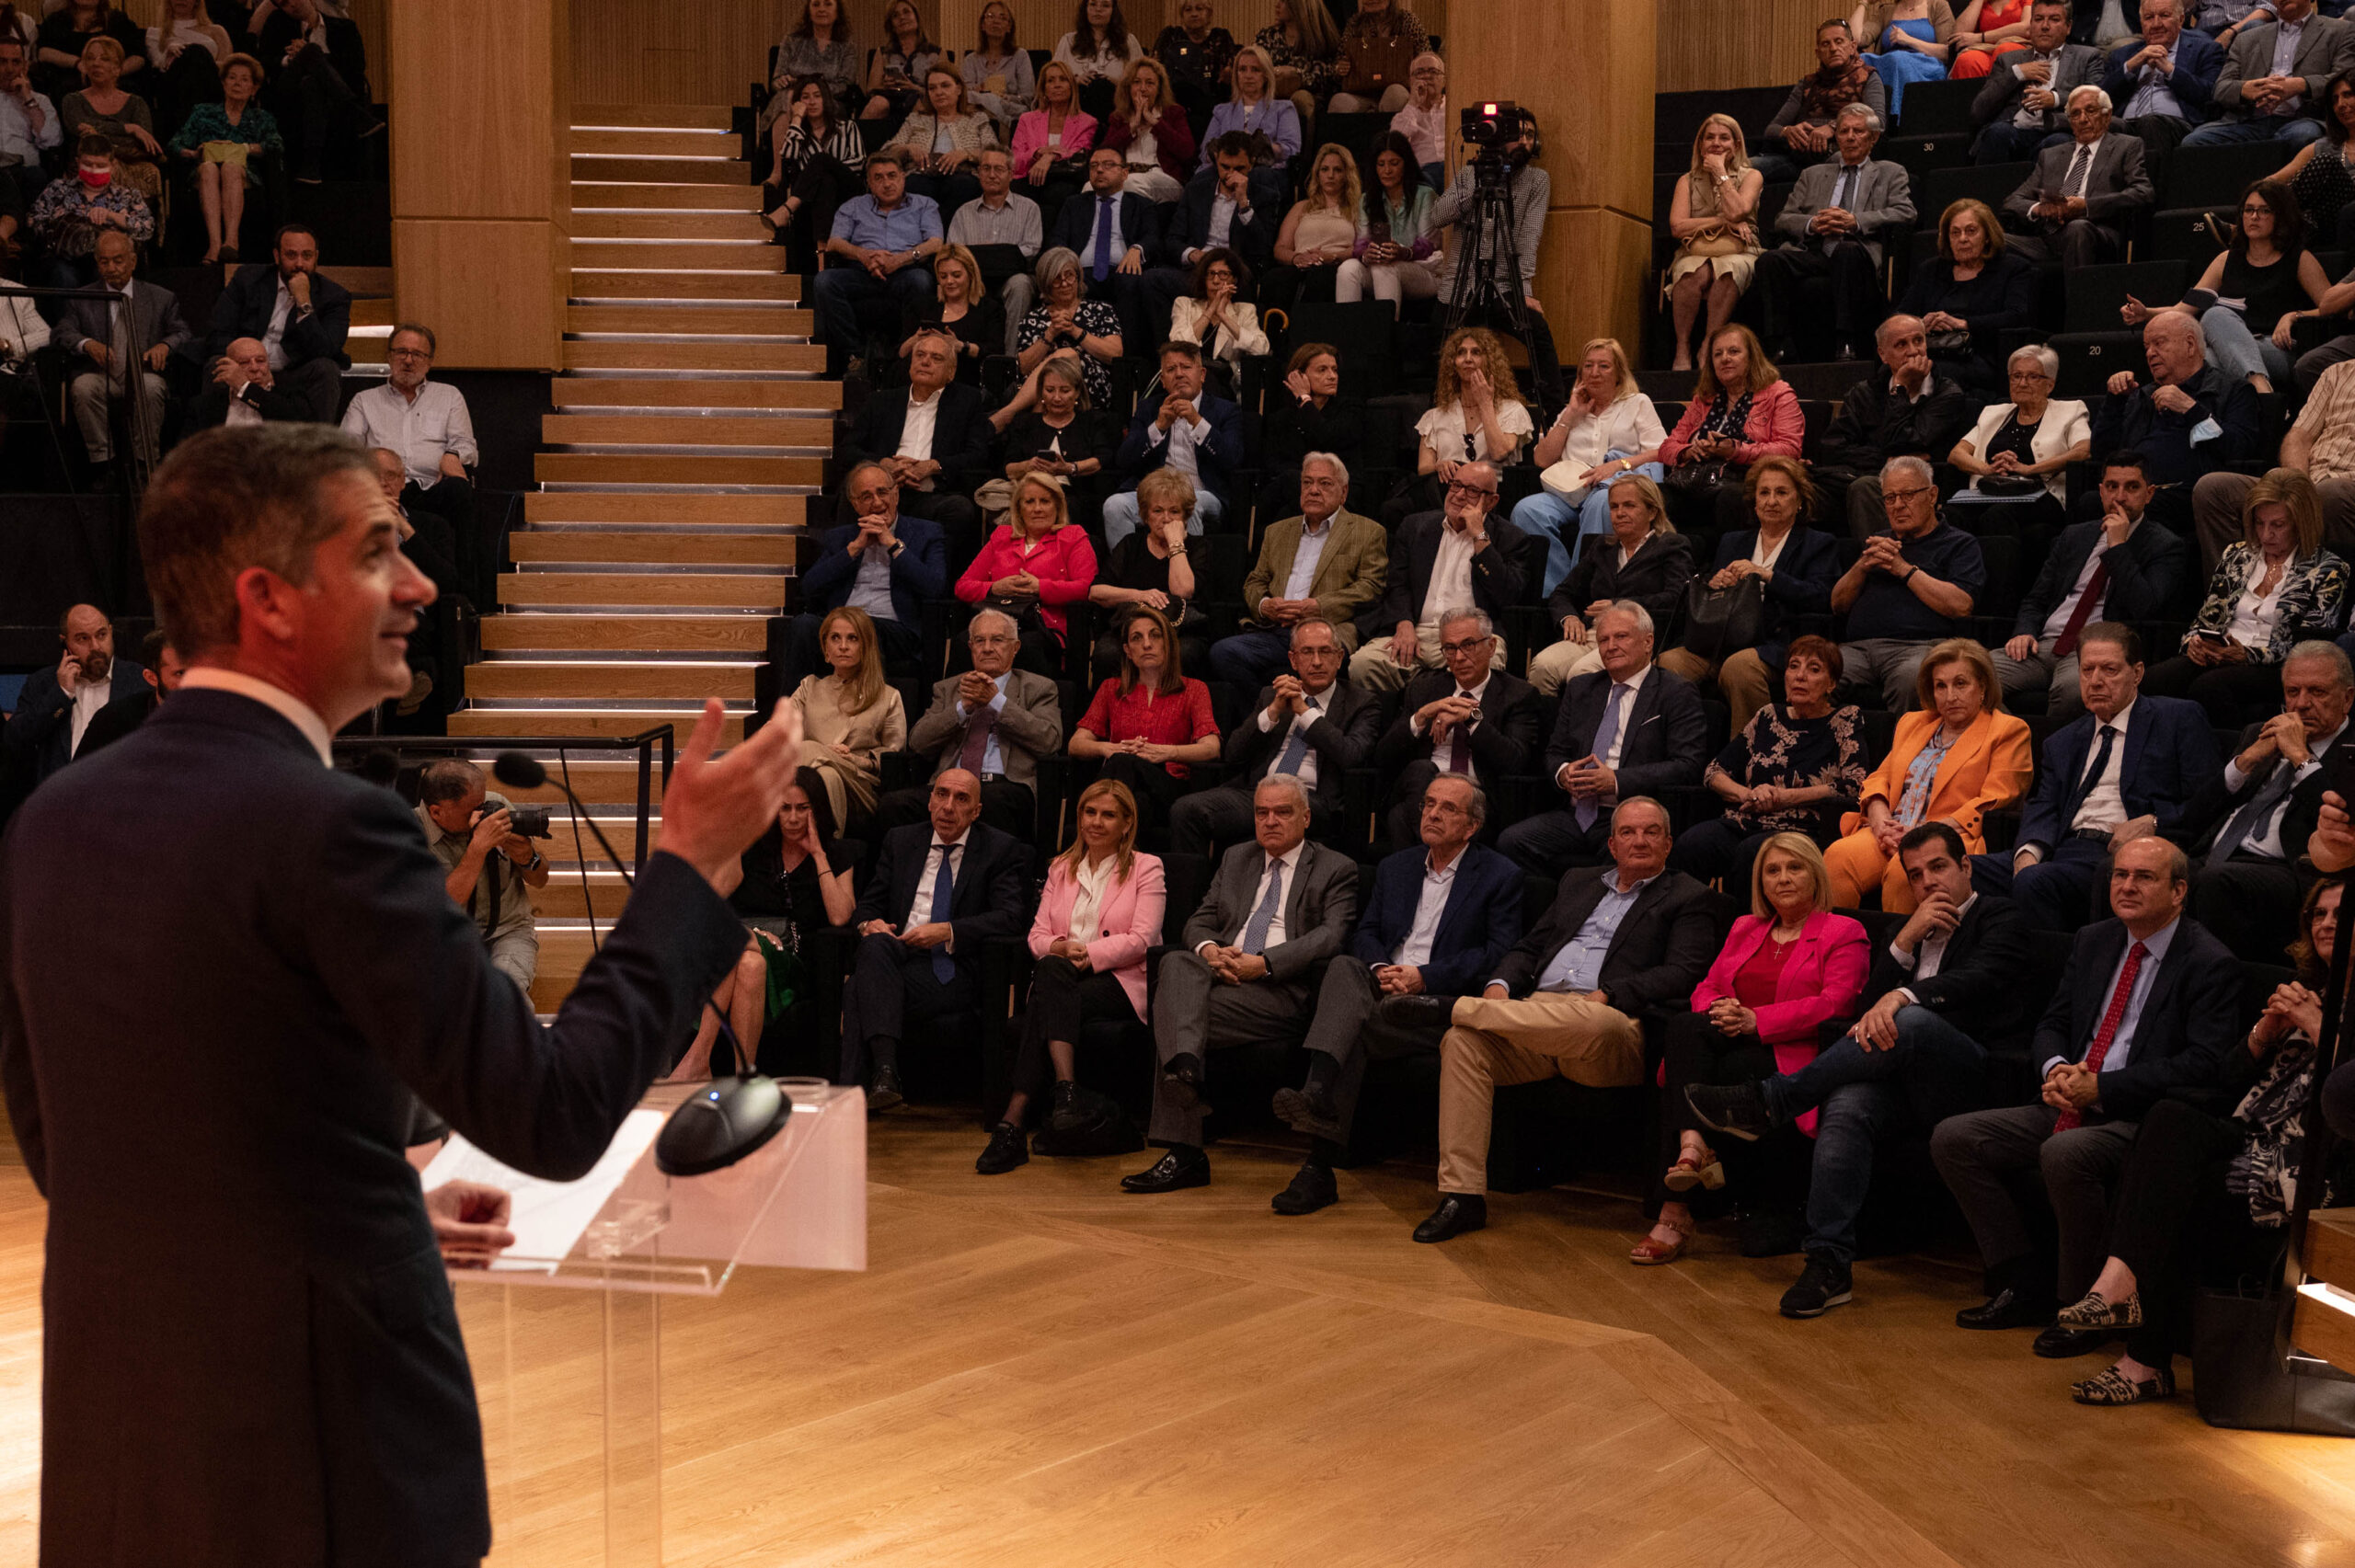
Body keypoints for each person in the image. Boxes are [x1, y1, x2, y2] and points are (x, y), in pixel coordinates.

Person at [0, 423, 802, 1568]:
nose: (421, 584)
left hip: (122, 1454)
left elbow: (71, 1147)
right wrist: (685, 871)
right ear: (269, 599)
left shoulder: (52, 821)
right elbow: (553, 1111)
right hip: (323, 1468)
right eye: (378, 551)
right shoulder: (336, 827)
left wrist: (345, 1208)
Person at [1683, 822, 2034, 1318]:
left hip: (1969, 1074)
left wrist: (1903, 995)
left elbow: (1982, 978)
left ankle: (1777, 1098)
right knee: (1846, 1106)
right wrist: (1904, 941)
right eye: (1916, 875)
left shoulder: (2001, 917)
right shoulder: (1905, 932)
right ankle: (1828, 1262)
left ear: (1966, 867)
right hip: (1896, 1080)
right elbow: (1861, 1009)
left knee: (1910, 1018)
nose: (1928, 882)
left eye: (1938, 868)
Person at [1931, 836, 2244, 1351]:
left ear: (2179, 891)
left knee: (2065, 1151)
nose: (2127, 886)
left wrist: (2103, 1087)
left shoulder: (2209, 961)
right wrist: (2056, 1068)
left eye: (2144, 877)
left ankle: (2083, 1305)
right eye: (2120, 875)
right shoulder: (2094, 939)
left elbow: (2204, 1063)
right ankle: (2020, 1280)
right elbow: (2052, 1022)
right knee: (1955, 1138)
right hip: (2072, 1093)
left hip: (2142, 1117)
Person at [2060, 875, 2348, 1402]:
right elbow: (2226, 1078)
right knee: (2170, 1121)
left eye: (2341, 914)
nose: (2327, 924)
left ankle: (2140, 1357)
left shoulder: (2322, 1005)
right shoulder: (2313, 988)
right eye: (2319, 914)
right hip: (2249, 1135)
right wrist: (2264, 1033)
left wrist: (2316, 1024)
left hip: (2310, 1163)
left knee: (2176, 1189)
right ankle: (2118, 1287)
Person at [1404, 797, 1720, 1243]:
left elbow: (1683, 971)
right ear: (1612, 844)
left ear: (1668, 844)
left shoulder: (1690, 895)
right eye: (1628, 832)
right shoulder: (1578, 882)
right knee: (1462, 1042)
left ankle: (1450, 1006)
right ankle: (1463, 1196)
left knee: (1591, 1020)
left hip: (1606, 1030)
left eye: (1651, 832)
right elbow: (1529, 948)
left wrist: (1612, 993)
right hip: (1534, 1019)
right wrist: (1499, 985)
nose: (1640, 840)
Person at [1270, 774, 1523, 1213]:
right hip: (1382, 988)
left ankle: (1318, 1156)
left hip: (1436, 1005)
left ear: (1472, 826)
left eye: (1448, 808)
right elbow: (1366, 932)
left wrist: (1424, 976)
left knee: (1350, 1029)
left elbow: (1496, 953)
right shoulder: (1396, 867)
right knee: (1345, 967)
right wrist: (1381, 969)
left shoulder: (1500, 875)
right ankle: (1318, 1128)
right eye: (1429, 804)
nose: (1433, 814)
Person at [1119, 773, 1359, 1195]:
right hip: (1223, 979)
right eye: (1261, 813)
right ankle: (1186, 1074)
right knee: (1177, 963)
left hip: (1282, 991)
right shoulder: (1236, 857)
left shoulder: (1336, 867)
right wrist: (1211, 951)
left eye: (1282, 812)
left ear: (1305, 818)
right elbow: (1200, 920)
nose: (1270, 821)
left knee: (1174, 1013)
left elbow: (1329, 936)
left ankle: (1184, 1150)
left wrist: (1263, 965)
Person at [1641, 834, 1871, 1266]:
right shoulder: (1746, 927)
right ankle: (1691, 1153)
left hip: (1793, 1054)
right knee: (1686, 1025)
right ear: (1760, 882)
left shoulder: (1844, 931)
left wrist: (1755, 1020)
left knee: (1696, 1068)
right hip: (1731, 1036)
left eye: (1794, 868)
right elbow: (1707, 986)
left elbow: (1837, 1004)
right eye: (1772, 870)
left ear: (1815, 874)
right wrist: (1722, 1008)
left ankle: (1675, 1208)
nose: (1783, 878)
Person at [1970, 624, 2222, 927]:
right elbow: (2044, 804)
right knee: (1955, 871)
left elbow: (2209, 801)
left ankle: (2055, 957)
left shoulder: (2177, 719)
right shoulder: (2063, 741)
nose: (2096, 681)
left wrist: (2155, 822)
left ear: (2137, 673)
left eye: (2109, 670)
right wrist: (2027, 854)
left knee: (2035, 882)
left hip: (2120, 852)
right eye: (2087, 670)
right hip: (2061, 848)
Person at [977, 776, 1165, 1173]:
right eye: (1089, 812)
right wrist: (1059, 948)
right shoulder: (1061, 867)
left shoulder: (1147, 868)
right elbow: (1037, 936)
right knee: (1051, 969)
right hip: (1060, 976)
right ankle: (1066, 1093)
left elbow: (1143, 938)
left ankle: (1013, 1121)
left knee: (1046, 992)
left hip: (1119, 981)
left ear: (1127, 823)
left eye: (1108, 815)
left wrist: (1088, 956)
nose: (1096, 822)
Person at [843, 767, 1030, 1108]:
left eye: (961, 799)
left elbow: (1010, 917)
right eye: (941, 794)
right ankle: (883, 1075)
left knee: (859, 987)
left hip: (951, 966)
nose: (948, 807)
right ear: (930, 801)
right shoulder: (901, 841)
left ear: (976, 811)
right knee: (874, 944)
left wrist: (948, 930)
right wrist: (869, 924)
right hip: (895, 953)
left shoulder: (999, 849)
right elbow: (868, 904)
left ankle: (863, 1088)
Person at [1499, 603, 1713, 879]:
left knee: (1620, 860)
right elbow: (1554, 752)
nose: (1611, 646)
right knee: (1511, 843)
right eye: (1603, 640)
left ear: (1648, 642)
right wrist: (1564, 773)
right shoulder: (1582, 688)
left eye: (1621, 637)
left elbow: (1687, 765)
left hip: (1632, 816)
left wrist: (1615, 780)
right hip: (1577, 814)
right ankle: (1564, 901)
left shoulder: (1675, 692)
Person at [674, 769, 861, 1082]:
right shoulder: (757, 850)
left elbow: (840, 916)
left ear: (817, 809)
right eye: (784, 808)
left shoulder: (837, 853)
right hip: (750, 954)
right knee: (750, 964)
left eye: (802, 808)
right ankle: (744, 1077)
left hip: (796, 965)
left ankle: (698, 1059)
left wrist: (817, 854)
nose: (793, 818)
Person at [1823, 638, 2033, 910]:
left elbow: (1996, 798)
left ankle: (1906, 941)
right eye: (1940, 686)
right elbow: (1880, 778)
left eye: (1960, 684)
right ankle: (1839, 938)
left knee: (1906, 872)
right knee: (1837, 857)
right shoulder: (1913, 722)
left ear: (1982, 686)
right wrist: (1880, 820)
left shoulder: (2008, 730)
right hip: (1891, 830)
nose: (1950, 696)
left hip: (1947, 835)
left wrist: (1922, 832)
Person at [2177, 640, 2354, 959]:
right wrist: (2244, 762)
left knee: (2215, 882)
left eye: (2317, 692)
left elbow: (2341, 821)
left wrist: (2300, 756)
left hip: (2288, 869)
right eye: (2292, 692)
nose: (2301, 704)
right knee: (2127, 868)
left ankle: (2211, 981)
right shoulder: (2258, 733)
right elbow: (2195, 817)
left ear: (2348, 698)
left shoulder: (2351, 752)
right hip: (2216, 853)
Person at [1995, 452, 2190, 719]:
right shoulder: (2075, 535)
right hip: (2044, 645)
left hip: (2099, 650)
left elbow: (2144, 607)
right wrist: (2025, 631)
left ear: (2149, 494)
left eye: (2132, 487)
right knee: (1972, 676)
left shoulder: (2165, 546)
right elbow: (2037, 599)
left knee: (2073, 693)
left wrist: (2118, 547)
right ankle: (2015, 738)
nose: (2120, 497)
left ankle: (2046, 746)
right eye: (2112, 486)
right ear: (2101, 492)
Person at [2148, 467, 2351, 724]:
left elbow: (2309, 647)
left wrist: (2248, 655)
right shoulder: (2237, 555)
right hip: (2220, 656)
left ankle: (2238, 748)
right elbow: (2206, 618)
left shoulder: (2329, 569)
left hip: (2273, 665)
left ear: (2301, 522)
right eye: (2259, 523)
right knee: (2150, 681)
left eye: (2278, 525)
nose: (2266, 534)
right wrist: (2194, 643)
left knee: (2209, 688)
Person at [1660, 459, 1844, 737]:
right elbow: (1712, 592)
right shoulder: (1733, 541)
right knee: (1668, 662)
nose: (1771, 501)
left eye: (1781, 492)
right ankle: (1683, 748)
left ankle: (1752, 753)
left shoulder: (1818, 543)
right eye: (1764, 493)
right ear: (1754, 502)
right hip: (1723, 639)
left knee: (1739, 667)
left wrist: (1768, 576)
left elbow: (1821, 597)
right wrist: (1717, 583)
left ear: (1799, 501)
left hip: (1780, 643)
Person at [1171, 615, 1382, 857]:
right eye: (1307, 652)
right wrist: (1272, 712)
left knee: (1278, 814)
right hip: (1258, 792)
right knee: (1185, 810)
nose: (1316, 662)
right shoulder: (1272, 695)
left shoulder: (1361, 703)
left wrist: (1304, 711)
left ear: (1339, 657)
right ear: (1293, 659)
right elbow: (1233, 753)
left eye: (1325, 652)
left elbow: (1351, 754)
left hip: (1311, 799)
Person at [1671, 636, 1869, 892]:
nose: (1800, 676)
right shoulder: (1768, 715)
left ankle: (1742, 919)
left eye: (1814, 669)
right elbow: (1714, 772)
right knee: (1691, 844)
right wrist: (1749, 795)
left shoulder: (1845, 719)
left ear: (1831, 684)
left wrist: (1784, 798)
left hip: (1801, 830)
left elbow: (1855, 785)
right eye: (1794, 666)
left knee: (1752, 854)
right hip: (1745, 820)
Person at [2122, 179, 2326, 397]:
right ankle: (2261, 392)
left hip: (2277, 348)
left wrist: (2293, 316)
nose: (2254, 217)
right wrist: (2146, 313)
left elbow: (2331, 307)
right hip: (2228, 346)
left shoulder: (2299, 259)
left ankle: (2259, 393)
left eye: (2264, 211)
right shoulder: (2226, 260)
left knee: (2214, 318)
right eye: (2249, 210)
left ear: (2281, 216)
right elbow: (2183, 310)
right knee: (2202, 356)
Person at [882, 608, 1065, 841]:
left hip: (1003, 785)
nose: (987, 648)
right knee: (894, 805)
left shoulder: (1038, 688)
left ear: (1015, 647)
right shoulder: (948, 688)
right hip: (949, 787)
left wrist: (996, 702)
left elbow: (1049, 741)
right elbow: (918, 742)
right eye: (979, 641)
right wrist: (963, 707)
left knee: (993, 801)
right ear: (971, 647)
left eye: (997, 640)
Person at [1754, 102, 1914, 365]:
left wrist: (1855, 221)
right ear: (1836, 136)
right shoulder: (1811, 174)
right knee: (1769, 260)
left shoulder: (1890, 172)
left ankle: (1846, 340)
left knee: (1845, 251)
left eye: (1858, 131)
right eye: (1844, 131)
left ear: (1873, 138)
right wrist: (1813, 223)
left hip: (1857, 251)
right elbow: (1783, 219)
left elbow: (1905, 212)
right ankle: (1778, 345)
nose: (1850, 137)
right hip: (1815, 250)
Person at [1371, 607, 1544, 850]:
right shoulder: (1423, 689)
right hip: (1424, 791)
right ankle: (1438, 854)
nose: (1459, 657)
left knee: (1399, 818)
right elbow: (1382, 755)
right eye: (1450, 648)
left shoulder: (1518, 695)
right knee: (1421, 770)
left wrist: (1471, 720)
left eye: (1468, 645)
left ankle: (1427, 858)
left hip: (1476, 799)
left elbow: (1516, 761)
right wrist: (1421, 717)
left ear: (1491, 646)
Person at [1209, 452, 1386, 685]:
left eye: (1325, 484)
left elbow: (1371, 587)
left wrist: (1319, 607)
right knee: (1222, 653)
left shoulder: (1368, 532)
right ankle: (1267, 707)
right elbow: (1255, 581)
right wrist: (1265, 606)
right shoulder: (1277, 531)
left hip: (1327, 632)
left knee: (1314, 660)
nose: (1314, 490)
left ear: (1344, 493)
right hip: (1277, 631)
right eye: (1307, 482)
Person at [1353, 462, 1530, 694]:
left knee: (1488, 664)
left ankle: (1444, 702)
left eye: (1472, 491)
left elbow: (1507, 595)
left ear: (1491, 501)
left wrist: (1480, 537)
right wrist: (1403, 622)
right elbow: (1398, 584)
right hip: (1416, 633)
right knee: (1363, 664)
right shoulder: (1415, 526)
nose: (1459, 495)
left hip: (1472, 638)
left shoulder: (1511, 538)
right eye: (1456, 485)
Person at [1512, 338, 1669, 598]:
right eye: (1588, 366)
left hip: (1613, 488)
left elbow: (1662, 451)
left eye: (1604, 366)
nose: (1595, 372)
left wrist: (1618, 465)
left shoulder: (1637, 403)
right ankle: (1555, 590)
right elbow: (1542, 459)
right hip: (1569, 493)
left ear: (1619, 373)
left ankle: (1580, 591)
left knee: (1601, 501)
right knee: (1526, 509)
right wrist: (1571, 415)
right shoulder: (1572, 410)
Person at [1428, 107, 1563, 407]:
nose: (1524, 141)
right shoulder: (1469, 174)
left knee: (1538, 331)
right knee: (1440, 343)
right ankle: (1441, 411)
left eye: (1530, 135)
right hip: (1461, 287)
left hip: (1504, 286)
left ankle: (1554, 411)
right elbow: (1438, 217)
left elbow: (1529, 237)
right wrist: (1478, 188)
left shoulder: (1537, 180)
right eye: (1518, 134)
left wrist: (1524, 291)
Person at [1833, 456, 1988, 710]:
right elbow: (1838, 605)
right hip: (1858, 649)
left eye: (1907, 495)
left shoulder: (1959, 543)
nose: (1898, 505)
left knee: (1911, 678)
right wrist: (1861, 566)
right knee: (1816, 675)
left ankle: (1906, 738)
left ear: (1932, 495)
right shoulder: (1879, 542)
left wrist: (1903, 569)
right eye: (1890, 498)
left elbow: (1961, 605)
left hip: (1920, 648)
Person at [2089, 313, 2263, 531]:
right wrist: (2114, 402)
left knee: (2152, 507)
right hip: (2134, 490)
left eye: (2159, 343)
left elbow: (2239, 449)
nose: (2150, 353)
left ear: (2190, 345)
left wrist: (2192, 410)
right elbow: (2101, 454)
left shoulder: (2233, 390)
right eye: (2147, 347)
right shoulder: (2140, 396)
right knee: (2090, 502)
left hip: (2190, 494)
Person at [1529, 477, 1697, 697]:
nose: (1620, 513)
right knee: (1542, 667)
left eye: (1629, 505)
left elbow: (1677, 598)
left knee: (1582, 674)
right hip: (1592, 633)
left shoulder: (1671, 545)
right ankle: (1553, 720)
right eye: (1614, 507)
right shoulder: (1602, 547)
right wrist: (1568, 617)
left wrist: (1619, 606)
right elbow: (1563, 592)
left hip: (1636, 637)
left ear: (1652, 512)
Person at [1819, 315, 1980, 539]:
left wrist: (1900, 388)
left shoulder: (1947, 394)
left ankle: (1882, 557)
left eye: (1918, 341)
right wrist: (1884, 460)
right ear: (1883, 354)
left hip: (1919, 484)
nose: (1913, 351)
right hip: (1867, 474)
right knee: (1799, 485)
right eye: (1901, 344)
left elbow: (1904, 443)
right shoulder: (1864, 393)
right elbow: (1832, 448)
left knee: (1864, 487)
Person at [786, 461, 947, 684]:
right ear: (855, 504)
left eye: (882, 493)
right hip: (842, 623)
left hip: (894, 629)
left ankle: (867, 705)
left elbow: (935, 587)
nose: (877, 502)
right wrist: (854, 548)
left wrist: (893, 545)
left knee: (865, 626)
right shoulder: (841, 538)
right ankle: (791, 705)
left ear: (896, 494)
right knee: (803, 625)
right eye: (867, 497)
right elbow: (810, 586)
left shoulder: (927, 532)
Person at [1070, 604, 1216, 838]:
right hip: (1129, 788)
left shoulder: (1194, 689)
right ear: (1128, 650)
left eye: (1155, 636)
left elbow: (1211, 748)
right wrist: (1109, 748)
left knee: (1125, 763)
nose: (1147, 644)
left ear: (1168, 643)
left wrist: (1165, 753)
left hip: (1169, 785)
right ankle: (1120, 855)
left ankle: (1089, 834)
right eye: (1137, 638)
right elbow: (1076, 744)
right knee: (1138, 801)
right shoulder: (1111, 688)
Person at [2200, 360, 2355, 571]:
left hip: (2346, 488)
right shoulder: (2337, 373)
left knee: (2332, 493)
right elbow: (2298, 437)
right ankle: (2229, 587)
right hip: (2309, 479)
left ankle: (2321, 587)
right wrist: (2299, 486)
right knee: (2214, 489)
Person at [414, 760, 548, 999]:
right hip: (445, 938)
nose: (482, 814)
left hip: (509, 932)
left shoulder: (496, 807)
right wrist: (477, 849)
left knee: (505, 997)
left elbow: (540, 879)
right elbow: (440, 907)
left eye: (483, 802)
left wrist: (528, 857)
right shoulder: (411, 832)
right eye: (473, 809)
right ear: (437, 812)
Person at [1658, 323, 1805, 537]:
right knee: (1650, 496)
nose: (1725, 358)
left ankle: (1729, 555)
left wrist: (1735, 450)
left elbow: (1789, 449)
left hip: (1746, 479)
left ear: (1751, 357)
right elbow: (1666, 449)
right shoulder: (1704, 399)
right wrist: (1690, 451)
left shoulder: (1778, 393)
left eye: (1734, 351)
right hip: (1695, 480)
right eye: (1718, 354)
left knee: (1731, 497)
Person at [837, 326, 991, 532]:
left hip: (931, 495)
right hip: (883, 493)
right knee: (854, 493)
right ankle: (851, 554)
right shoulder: (881, 401)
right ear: (911, 364)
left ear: (951, 372)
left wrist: (934, 466)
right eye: (920, 355)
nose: (925, 362)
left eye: (936, 358)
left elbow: (979, 455)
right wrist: (882, 465)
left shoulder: (967, 402)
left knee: (959, 509)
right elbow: (847, 450)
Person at [61, 227, 186, 479]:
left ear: (133, 261)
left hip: (141, 372)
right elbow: (62, 332)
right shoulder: (81, 297)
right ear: (97, 263)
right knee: (83, 387)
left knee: (151, 388)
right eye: (104, 262)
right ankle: (102, 463)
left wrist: (165, 345)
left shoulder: (161, 297)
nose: (112, 268)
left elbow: (182, 333)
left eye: (118, 261)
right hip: (101, 373)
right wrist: (87, 343)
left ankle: (144, 462)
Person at [1101, 338, 1243, 546]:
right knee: (1114, 506)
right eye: (1171, 369)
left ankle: (1190, 566)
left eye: (1186, 367)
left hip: (1202, 493)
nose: (1179, 374)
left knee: (1189, 508)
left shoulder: (1226, 410)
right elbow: (1124, 460)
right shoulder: (1148, 408)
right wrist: (1158, 427)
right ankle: (1126, 565)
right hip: (1154, 496)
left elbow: (1232, 459)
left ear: (1202, 375)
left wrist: (1197, 421)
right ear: (1163, 380)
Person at [955, 471, 1099, 676]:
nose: (1037, 508)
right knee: (963, 642)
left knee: (1026, 646)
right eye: (1030, 502)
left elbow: (1087, 588)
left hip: (1044, 628)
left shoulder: (1072, 536)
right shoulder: (1002, 536)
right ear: (1019, 508)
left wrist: (1040, 587)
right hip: (996, 624)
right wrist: (995, 587)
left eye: (1045, 501)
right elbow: (962, 586)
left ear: (1058, 506)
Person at [813, 148, 942, 375]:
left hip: (906, 271)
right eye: (878, 178)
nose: (887, 183)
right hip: (862, 272)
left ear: (903, 178)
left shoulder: (924, 205)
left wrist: (900, 259)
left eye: (892, 176)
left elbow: (935, 243)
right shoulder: (853, 206)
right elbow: (834, 243)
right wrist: (864, 256)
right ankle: (855, 355)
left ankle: (905, 352)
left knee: (921, 281)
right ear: (869, 183)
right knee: (824, 282)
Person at [206, 223, 350, 424]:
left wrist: (304, 302)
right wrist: (248, 368)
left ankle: (319, 442)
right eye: (291, 255)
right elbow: (218, 332)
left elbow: (326, 350)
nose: (299, 264)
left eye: (307, 256)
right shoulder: (248, 279)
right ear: (277, 256)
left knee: (327, 370)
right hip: (247, 366)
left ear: (316, 257)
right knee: (216, 363)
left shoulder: (334, 296)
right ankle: (210, 441)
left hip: (292, 374)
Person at [1945, 344, 2091, 542]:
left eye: (2032, 377)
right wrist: (1987, 469)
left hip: (2042, 495)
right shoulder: (1993, 413)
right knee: (1951, 514)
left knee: (1997, 515)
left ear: (2050, 384)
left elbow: (2083, 451)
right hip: (1989, 493)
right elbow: (1957, 454)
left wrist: (2030, 469)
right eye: (2016, 376)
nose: (2022, 383)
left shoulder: (2070, 411)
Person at [1897, 199, 2040, 396]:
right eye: (1955, 233)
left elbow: (2016, 316)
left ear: (1987, 236)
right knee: (1890, 371)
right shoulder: (1931, 270)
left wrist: (1963, 324)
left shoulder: (2012, 269)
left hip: (1979, 355)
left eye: (1971, 231)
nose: (1963, 239)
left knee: (1936, 373)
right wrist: (1921, 324)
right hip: (1932, 351)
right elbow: (1900, 316)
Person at [1998, 86, 2153, 269]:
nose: (2083, 119)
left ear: (2107, 115)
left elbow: (2143, 193)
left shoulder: (2126, 146)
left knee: (2077, 228)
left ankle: (2080, 289)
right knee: (1990, 239)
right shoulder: (2050, 155)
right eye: (2075, 114)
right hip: (2047, 239)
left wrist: (2086, 206)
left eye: (2090, 111)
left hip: (2095, 232)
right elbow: (2013, 201)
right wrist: (2039, 208)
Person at [339, 324, 476, 521]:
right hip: (382, 489)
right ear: (389, 356)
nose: (408, 360)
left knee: (459, 489)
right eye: (401, 352)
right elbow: (345, 450)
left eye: (417, 354)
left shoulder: (449, 396)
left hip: (432, 488)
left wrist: (453, 455)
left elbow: (466, 444)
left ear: (430, 361)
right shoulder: (364, 400)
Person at [788, 605, 907, 828]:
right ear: (826, 648)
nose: (843, 646)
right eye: (835, 638)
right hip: (810, 778)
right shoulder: (809, 687)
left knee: (806, 749)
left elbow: (894, 758)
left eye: (853, 638)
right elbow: (778, 729)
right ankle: (830, 843)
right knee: (825, 774)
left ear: (866, 646)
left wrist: (857, 760)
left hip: (859, 784)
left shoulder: (888, 696)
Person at [1664, 114, 1764, 377]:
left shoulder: (1752, 176)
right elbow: (1677, 227)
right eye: (1710, 138)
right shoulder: (1686, 180)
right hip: (1696, 249)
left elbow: (1739, 210)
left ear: (1736, 144)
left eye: (1724, 138)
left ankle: (1709, 345)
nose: (1716, 143)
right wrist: (1723, 221)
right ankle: (1682, 347)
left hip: (1741, 249)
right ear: (1700, 145)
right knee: (1690, 272)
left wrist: (1721, 173)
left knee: (1728, 269)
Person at [3, 601, 145, 784]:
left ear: (111, 631)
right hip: (62, 794)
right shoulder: (43, 683)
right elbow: (15, 740)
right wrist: (61, 693)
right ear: (65, 643)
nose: (96, 646)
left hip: (122, 791)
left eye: (102, 635)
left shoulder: (139, 680)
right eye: (83, 639)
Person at [1402, 326, 1534, 521]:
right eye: (1461, 353)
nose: (1468, 359)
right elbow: (1424, 468)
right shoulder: (1435, 415)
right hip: (1446, 493)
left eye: (1476, 352)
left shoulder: (1512, 410)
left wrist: (1485, 404)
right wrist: (1439, 465)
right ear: (1453, 364)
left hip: (1491, 496)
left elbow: (1499, 452)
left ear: (1490, 361)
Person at [2181, 0, 2354, 148]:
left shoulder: (2340, 31)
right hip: (2251, 120)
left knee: (2303, 135)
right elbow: (2220, 89)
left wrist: (2300, 85)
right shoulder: (2247, 38)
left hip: (2304, 118)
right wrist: (2245, 89)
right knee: (2193, 142)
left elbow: (2344, 79)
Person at [1045, 145, 1159, 362]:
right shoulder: (1074, 204)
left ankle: (1127, 363)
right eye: (1094, 166)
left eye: (1108, 165)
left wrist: (1137, 248)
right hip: (1081, 271)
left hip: (1123, 271)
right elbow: (1057, 238)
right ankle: (1071, 358)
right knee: (1066, 280)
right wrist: (1067, 263)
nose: (1099, 170)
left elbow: (1153, 238)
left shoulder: (1141, 205)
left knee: (1130, 282)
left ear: (1124, 173)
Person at [1088, 466, 1204, 676]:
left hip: (1178, 630)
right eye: (1158, 511)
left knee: (1186, 653)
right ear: (1146, 515)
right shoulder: (1131, 544)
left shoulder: (1199, 547)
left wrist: (1176, 543)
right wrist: (1140, 595)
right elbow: (1096, 592)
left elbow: (1182, 591)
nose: (1166, 518)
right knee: (1106, 653)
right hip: (1133, 626)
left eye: (1174, 511)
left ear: (1185, 515)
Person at [167, 50, 276, 264]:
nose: (237, 83)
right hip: (203, 173)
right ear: (223, 83)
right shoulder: (203, 113)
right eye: (232, 78)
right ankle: (215, 245)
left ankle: (232, 241)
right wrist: (193, 152)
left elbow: (275, 145)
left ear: (254, 88)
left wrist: (244, 148)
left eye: (244, 80)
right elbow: (174, 145)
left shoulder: (260, 118)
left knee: (230, 167)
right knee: (209, 168)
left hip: (243, 175)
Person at [252, 0, 376, 184]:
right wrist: (291, 59)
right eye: (284, 4)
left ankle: (311, 166)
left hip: (327, 92)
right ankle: (354, 111)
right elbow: (263, 61)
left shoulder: (345, 28)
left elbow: (356, 67)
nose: (292, 5)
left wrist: (315, 56)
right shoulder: (278, 24)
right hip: (289, 89)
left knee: (311, 80)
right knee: (310, 52)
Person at [1754, 17, 1889, 186]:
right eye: (1826, 44)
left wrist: (1833, 127)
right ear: (1818, 53)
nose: (1833, 49)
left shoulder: (1868, 77)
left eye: (1839, 42)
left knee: (1845, 164)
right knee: (1745, 169)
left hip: (1838, 153)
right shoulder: (1807, 84)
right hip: (1798, 157)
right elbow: (1771, 129)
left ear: (1852, 47)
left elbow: (1878, 123)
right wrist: (1788, 131)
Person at [1968, 0, 2105, 164]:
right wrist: (2017, 74)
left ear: (2068, 27)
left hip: (2058, 130)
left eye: (2054, 19)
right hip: (2014, 131)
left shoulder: (2087, 57)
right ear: (2031, 24)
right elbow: (1978, 112)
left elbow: (2096, 103)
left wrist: (2055, 99)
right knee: (1998, 132)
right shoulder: (2009, 60)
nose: (2045, 26)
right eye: (2039, 19)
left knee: (2058, 142)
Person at [990, 352, 1118, 524]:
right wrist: (1028, 466)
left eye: (1065, 391)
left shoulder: (1092, 422)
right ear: (1041, 391)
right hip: (1029, 496)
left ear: (1077, 392)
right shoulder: (1024, 423)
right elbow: (1007, 468)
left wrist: (1069, 468)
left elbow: (1102, 459)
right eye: (1050, 390)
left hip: (1075, 499)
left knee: (1066, 506)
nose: (1057, 398)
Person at [2101, 0, 2225, 176]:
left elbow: (2210, 94)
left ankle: (2148, 190)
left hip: (2176, 126)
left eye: (2164, 16)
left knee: (2150, 123)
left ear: (2181, 20)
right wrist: (2132, 65)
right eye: (2149, 17)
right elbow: (2102, 97)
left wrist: (2169, 69)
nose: (2156, 24)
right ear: (2141, 22)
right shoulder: (2124, 55)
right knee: (2104, 125)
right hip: (2127, 124)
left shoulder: (2205, 49)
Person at [946, 148, 1040, 350]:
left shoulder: (1029, 208)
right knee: (951, 281)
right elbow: (953, 253)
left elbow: (1032, 249)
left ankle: (1009, 359)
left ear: (1011, 174)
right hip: (973, 281)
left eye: (999, 169)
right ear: (978, 172)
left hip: (1011, 278)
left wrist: (991, 255)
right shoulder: (963, 212)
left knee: (1021, 284)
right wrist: (997, 254)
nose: (991, 175)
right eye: (986, 168)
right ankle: (961, 353)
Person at [1338, 130, 1439, 316]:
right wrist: (1368, 254)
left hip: (1423, 270)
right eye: (1381, 164)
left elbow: (1428, 245)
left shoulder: (1425, 195)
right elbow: (1360, 244)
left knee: (1384, 267)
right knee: (1348, 268)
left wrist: (1402, 252)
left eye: (1394, 163)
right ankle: (1348, 332)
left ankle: (1386, 331)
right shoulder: (1367, 199)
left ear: (1406, 164)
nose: (1387, 171)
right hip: (1382, 269)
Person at [763, 74, 867, 252]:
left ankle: (787, 209)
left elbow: (859, 162)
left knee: (820, 160)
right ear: (798, 102)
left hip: (849, 189)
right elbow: (788, 159)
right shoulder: (800, 133)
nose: (812, 102)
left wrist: (828, 166)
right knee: (826, 183)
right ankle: (822, 256)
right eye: (805, 97)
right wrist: (796, 118)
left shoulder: (847, 127)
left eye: (817, 96)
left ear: (825, 99)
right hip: (816, 195)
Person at [28, 135, 150, 285]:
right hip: (64, 259)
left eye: (100, 165)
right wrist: (62, 224)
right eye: (87, 164)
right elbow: (33, 220)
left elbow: (146, 228)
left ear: (113, 165)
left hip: (106, 260)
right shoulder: (58, 189)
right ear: (78, 162)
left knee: (103, 272)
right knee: (63, 275)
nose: (93, 170)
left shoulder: (127, 196)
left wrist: (111, 216)